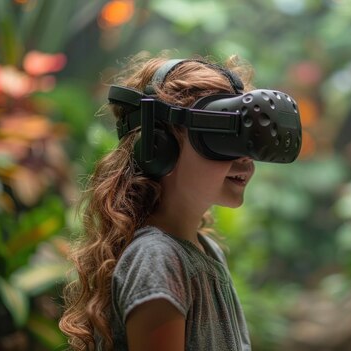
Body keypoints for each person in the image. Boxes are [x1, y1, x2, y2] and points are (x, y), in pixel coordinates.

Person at [59, 54, 259, 351]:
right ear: (159, 146)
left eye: (245, 137)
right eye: (221, 136)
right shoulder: (158, 258)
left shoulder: (206, 250)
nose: (245, 157)